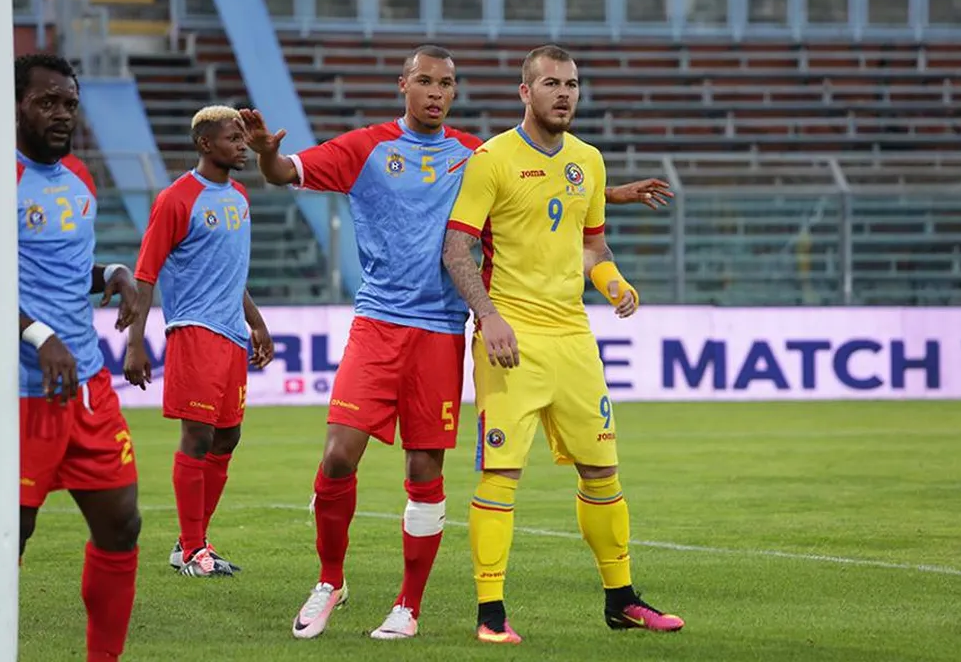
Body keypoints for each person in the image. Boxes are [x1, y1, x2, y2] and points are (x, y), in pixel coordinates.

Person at [242, 44, 673, 641]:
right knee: (339, 455)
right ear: (404, 85)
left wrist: (610, 195)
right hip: (381, 321)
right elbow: (283, 173)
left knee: (427, 470)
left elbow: (544, 190)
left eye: (446, 83)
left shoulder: (474, 153)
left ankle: (408, 606)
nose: (436, 93)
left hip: (444, 328)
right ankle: (331, 580)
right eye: (425, 81)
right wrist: (266, 153)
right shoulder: (372, 147)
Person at [441, 44, 686, 644]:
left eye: (572, 84)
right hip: (511, 340)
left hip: (574, 339)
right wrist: (488, 316)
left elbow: (592, 247)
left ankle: (621, 600)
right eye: (551, 83)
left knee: (602, 470)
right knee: (501, 473)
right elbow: (456, 248)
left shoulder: (589, 161)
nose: (564, 94)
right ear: (525, 92)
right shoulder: (491, 159)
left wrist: (615, 283)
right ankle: (490, 612)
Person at [16, 53, 142, 661]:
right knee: (7, 536)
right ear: (15, 107)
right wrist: (39, 337)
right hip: (18, 395)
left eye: (69, 103)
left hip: (87, 387)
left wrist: (112, 271)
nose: (62, 114)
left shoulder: (80, 177)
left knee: (122, 525)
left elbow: (64, 271)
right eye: (47, 102)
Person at [123, 106, 274, 577]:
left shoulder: (240, 196)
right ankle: (192, 551)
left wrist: (256, 322)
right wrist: (135, 343)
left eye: (243, 138)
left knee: (228, 435)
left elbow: (232, 272)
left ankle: (192, 542)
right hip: (194, 330)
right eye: (233, 138)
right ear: (206, 144)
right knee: (198, 435)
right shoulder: (176, 199)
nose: (242, 146)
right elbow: (145, 274)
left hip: (231, 333)